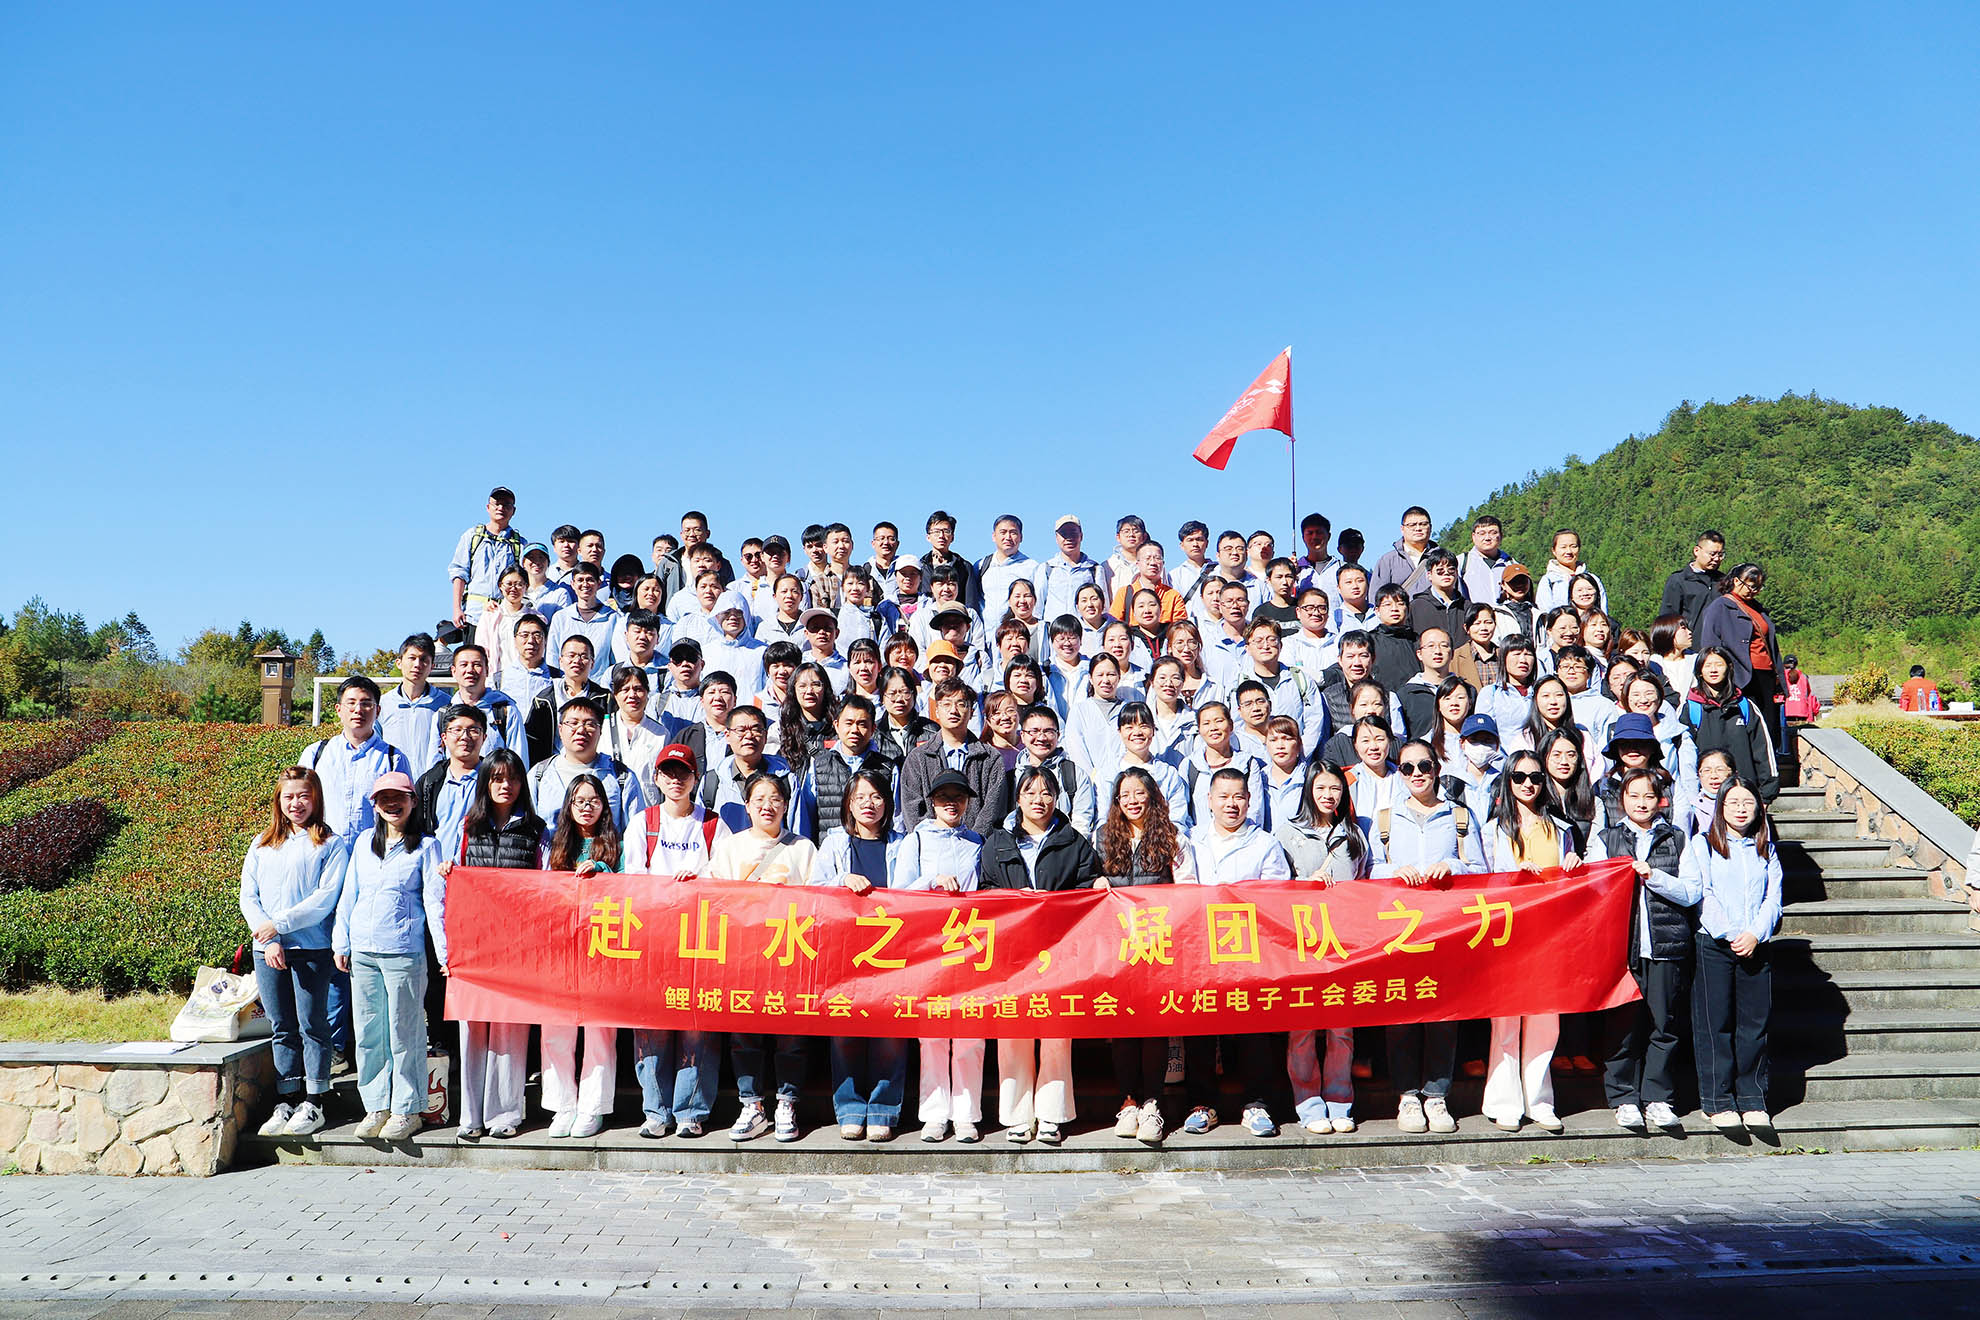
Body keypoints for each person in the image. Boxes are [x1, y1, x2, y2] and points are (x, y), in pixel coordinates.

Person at [1372, 741, 1487, 1134]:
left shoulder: (1459, 815)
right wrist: (1394, 872)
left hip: (1444, 929)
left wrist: (1452, 865)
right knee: (1400, 1013)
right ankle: (1406, 1095)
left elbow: (1480, 868)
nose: (1417, 774)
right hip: (1399, 931)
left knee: (1443, 1014)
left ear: (1436, 769)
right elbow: (1369, 868)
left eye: (1424, 766)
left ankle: (1437, 1095)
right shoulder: (1385, 819)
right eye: (1407, 768)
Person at [981, 767, 1100, 1144]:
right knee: (1013, 1033)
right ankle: (1017, 1116)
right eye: (1030, 792)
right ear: (1017, 799)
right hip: (1012, 952)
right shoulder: (998, 842)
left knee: (1055, 1033)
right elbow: (985, 890)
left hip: (1059, 950)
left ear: (1057, 798)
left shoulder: (1073, 841)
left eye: (1047, 792)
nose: (1039, 799)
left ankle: (1051, 1114)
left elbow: (1086, 887)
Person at [333, 771, 446, 1143]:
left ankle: (407, 1108)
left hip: (403, 952)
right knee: (369, 1034)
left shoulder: (427, 847)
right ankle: (376, 1105)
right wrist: (341, 942)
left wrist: (443, 952)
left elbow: (434, 902)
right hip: (363, 951)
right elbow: (350, 894)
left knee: (405, 1033)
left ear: (413, 801)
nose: (392, 804)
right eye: (384, 798)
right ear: (374, 805)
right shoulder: (364, 842)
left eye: (399, 797)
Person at [1180, 768, 1292, 1138]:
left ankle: (1256, 1104)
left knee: (1253, 1030)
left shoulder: (1265, 843)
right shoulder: (1192, 840)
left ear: (1249, 800)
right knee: (1200, 1026)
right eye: (1223, 797)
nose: (1231, 804)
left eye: (1238, 797)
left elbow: (1277, 898)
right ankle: (1201, 1104)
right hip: (1200, 948)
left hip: (1250, 950)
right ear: (1209, 801)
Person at [1273, 761, 1382, 1135]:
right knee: (1302, 1029)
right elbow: (1273, 886)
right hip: (1301, 944)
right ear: (1308, 790)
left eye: (1335, 788)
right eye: (1320, 788)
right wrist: (1306, 883)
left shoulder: (1355, 832)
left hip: (1344, 944)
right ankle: (1308, 1105)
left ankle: (1339, 1101)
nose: (1328, 795)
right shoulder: (1287, 832)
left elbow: (1368, 879)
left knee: (1341, 1029)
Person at [709, 771, 818, 1141]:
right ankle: (751, 1104)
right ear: (747, 806)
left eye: (775, 799)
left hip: (789, 955)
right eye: (759, 799)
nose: (767, 806)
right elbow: (713, 897)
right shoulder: (730, 847)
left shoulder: (803, 848)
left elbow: (818, 900)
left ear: (786, 805)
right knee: (744, 1034)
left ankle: (787, 1103)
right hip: (743, 956)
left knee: (791, 1035)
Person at [1587, 766, 1696, 1132]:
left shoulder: (1677, 838)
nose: (1641, 803)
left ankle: (1658, 1097)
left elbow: (1691, 891)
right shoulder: (1606, 838)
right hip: (1622, 948)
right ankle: (1623, 1097)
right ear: (1622, 800)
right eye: (1633, 795)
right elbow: (1592, 887)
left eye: (1649, 795)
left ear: (1660, 800)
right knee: (1622, 1028)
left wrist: (1654, 876)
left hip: (1665, 946)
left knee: (1664, 1026)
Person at [241, 767, 347, 1138]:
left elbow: (324, 900)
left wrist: (280, 925)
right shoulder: (262, 843)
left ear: (315, 798)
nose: (296, 803)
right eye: (288, 796)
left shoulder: (331, 844)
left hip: (310, 948)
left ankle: (315, 1100)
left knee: (312, 1024)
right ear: (279, 800)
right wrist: (268, 936)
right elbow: (248, 896)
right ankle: (286, 1099)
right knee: (282, 1026)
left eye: (303, 796)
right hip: (267, 950)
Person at [443, 748, 543, 1140]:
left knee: (509, 1031)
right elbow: (449, 876)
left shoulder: (536, 829)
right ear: (486, 782)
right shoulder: (469, 827)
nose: (506, 786)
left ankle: (505, 1115)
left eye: (513, 778)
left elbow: (546, 883)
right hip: (474, 944)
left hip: (517, 946)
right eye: (497, 778)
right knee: (472, 1031)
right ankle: (470, 1118)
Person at [1481, 751, 1583, 1133]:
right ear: (1508, 780)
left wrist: (1574, 866)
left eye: (1536, 777)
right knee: (1505, 1022)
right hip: (1506, 933)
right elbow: (1482, 878)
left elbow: (1574, 879)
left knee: (1545, 1020)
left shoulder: (1561, 828)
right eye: (1520, 776)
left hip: (1549, 933)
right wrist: (1513, 875)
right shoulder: (1495, 828)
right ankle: (1504, 1102)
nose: (1528, 784)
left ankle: (1539, 1101)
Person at [807, 767, 909, 1142]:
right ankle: (850, 1108)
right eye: (860, 797)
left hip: (892, 954)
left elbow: (912, 890)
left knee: (890, 1035)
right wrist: (842, 880)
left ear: (887, 803)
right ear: (848, 804)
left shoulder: (903, 843)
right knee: (845, 1033)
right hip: (845, 954)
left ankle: (883, 1109)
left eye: (876, 796)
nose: (869, 803)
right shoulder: (835, 843)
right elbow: (815, 889)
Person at [1684, 777, 1783, 1129]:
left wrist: (1755, 933)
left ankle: (1753, 1099)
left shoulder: (1766, 849)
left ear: (1759, 808)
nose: (1741, 809)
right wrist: (1729, 933)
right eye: (1733, 803)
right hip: (1715, 944)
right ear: (1720, 807)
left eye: (1747, 803)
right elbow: (1703, 893)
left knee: (1753, 1026)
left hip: (1756, 944)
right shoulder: (1703, 844)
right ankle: (1717, 1101)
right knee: (1716, 1024)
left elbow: (1774, 898)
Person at [536, 774, 625, 1137]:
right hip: (560, 947)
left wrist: (601, 871)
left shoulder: (617, 844)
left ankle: (593, 1107)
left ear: (604, 805)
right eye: (579, 801)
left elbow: (631, 887)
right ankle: (562, 1105)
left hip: (602, 947)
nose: (587, 807)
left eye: (594, 800)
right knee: (555, 1028)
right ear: (568, 806)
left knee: (599, 1030)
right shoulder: (553, 844)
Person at [899, 678, 1013, 834]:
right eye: (946, 704)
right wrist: (934, 839)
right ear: (937, 711)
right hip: (931, 845)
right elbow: (912, 809)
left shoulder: (990, 758)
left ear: (972, 712)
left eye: (961, 704)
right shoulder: (918, 758)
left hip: (978, 845)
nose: (953, 710)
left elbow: (993, 809)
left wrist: (973, 841)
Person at [1696, 563, 1785, 749]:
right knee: (1745, 725)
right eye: (1751, 586)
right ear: (1736, 581)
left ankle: (1768, 762)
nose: (1755, 591)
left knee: (1768, 726)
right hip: (1741, 676)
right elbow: (1710, 646)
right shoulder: (1720, 607)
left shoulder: (1757, 607)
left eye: (1759, 587)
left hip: (1766, 674)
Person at [1681, 646, 1779, 803]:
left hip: (1743, 798)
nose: (1713, 670)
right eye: (1707, 665)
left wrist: (1766, 795)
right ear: (1699, 671)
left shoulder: (1745, 706)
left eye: (1719, 664)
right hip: (1704, 799)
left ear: (1729, 668)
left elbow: (1763, 750)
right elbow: (1684, 757)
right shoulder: (1691, 709)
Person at [450, 486, 524, 629]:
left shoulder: (519, 544)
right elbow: (459, 572)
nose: (501, 508)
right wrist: (457, 608)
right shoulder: (472, 536)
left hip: (506, 617)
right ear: (488, 507)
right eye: (497, 504)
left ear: (513, 511)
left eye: (506, 505)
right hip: (474, 616)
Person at [546, 561, 620, 674]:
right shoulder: (561, 617)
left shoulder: (612, 618)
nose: (585, 584)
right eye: (580, 580)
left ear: (599, 584)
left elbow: (615, 659)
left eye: (590, 580)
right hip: (566, 682)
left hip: (599, 683)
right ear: (572, 584)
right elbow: (552, 655)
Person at [1659, 530, 1727, 632]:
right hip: (1691, 640)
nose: (1717, 559)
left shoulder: (1723, 581)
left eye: (1720, 554)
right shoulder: (1679, 580)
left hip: (1718, 641)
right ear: (1696, 551)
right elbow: (1668, 619)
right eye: (1712, 554)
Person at [1534, 530, 1607, 614]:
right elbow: (1546, 614)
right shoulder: (1549, 581)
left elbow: (1603, 611)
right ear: (1554, 550)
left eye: (1573, 546)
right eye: (1563, 547)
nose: (1569, 551)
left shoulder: (1593, 579)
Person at [1370, 506, 1437, 596]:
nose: (1418, 528)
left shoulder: (1442, 558)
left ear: (1430, 527)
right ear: (1402, 529)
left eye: (1423, 524)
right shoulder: (1387, 560)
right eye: (1412, 525)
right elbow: (1376, 596)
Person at [1458, 515, 1511, 606]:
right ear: (1473, 536)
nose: (1487, 538)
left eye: (1493, 533)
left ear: (1501, 536)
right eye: (1482, 533)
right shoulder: (1461, 562)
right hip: (1474, 614)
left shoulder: (1511, 564)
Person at [1781, 654, 1819, 722]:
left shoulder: (1781, 677)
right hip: (1803, 713)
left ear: (1784, 664)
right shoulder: (1804, 677)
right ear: (1796, 664)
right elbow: (1809, 697)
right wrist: (1810, 718)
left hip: (1786, 713)